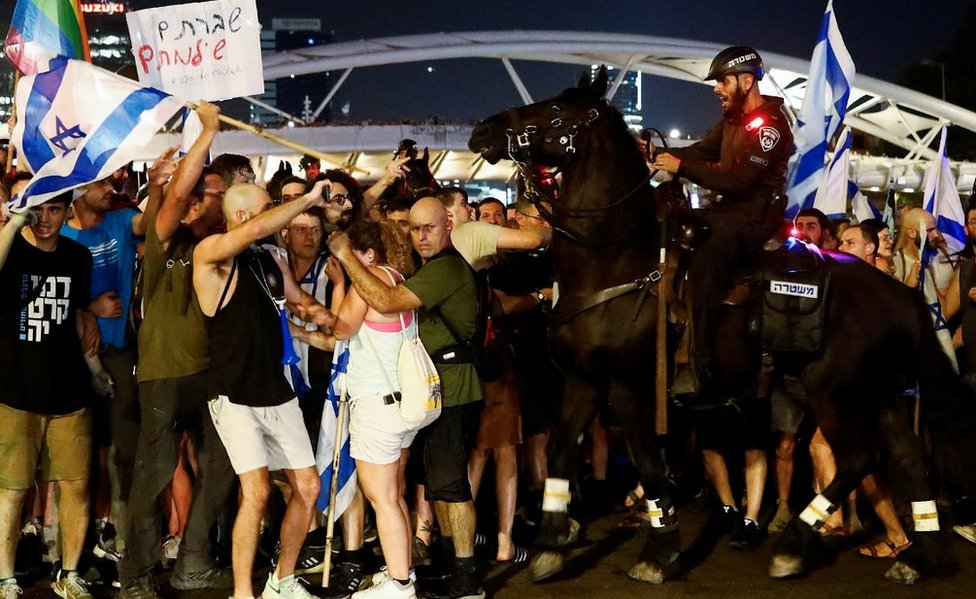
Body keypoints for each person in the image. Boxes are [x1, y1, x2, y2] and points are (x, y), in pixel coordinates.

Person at [328, 197, 486, 599]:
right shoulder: (427, 269)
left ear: (448, 224)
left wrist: (346, 258)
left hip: (448, 388)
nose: (421, 236)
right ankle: (446, 570)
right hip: (428, 393)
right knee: (430, 487)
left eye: (428, 227)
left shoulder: (445, 268)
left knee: (450, 487)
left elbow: (385, 301)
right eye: (415, 229)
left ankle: (465, 579)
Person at [192, 181, 336, 599]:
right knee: (255, 492)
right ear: (241, 217)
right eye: (268, 208)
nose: (277, 214)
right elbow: (254, 232)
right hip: (233, 393)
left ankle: (282, 581)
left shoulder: (269, 258)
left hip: (276, 388)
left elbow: (302, 305)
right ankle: (242, 593)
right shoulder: (211, 254)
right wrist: (307, 201)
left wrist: (337, 313)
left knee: (308, 488)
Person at [117, 102, 234, 599]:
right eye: (213, 195)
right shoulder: (167, 238)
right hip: (163, 375)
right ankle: (137, 577)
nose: (219, 203)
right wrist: (206, 131)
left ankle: (192, 562)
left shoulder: (221, 244)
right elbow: (177, 194)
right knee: (155, 477)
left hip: (209, 375)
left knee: (225, 466)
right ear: (189, 204)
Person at [647, 46, 793, 391]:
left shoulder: (770, 127)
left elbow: (739, 180)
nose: (715, 89)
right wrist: (656, 155)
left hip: (753, 220)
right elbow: (699, 152)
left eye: (722, 81)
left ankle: (702, 358)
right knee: (671, 229)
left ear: (746, 81)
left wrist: (680, 167)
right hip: (728, 211)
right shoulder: (732, 121)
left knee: (708, 252)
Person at [0, 191, 95, 599]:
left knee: (75, 485)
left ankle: (70, 573)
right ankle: (5, 577)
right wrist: (13, 223)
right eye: (37, 210)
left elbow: (74, 313)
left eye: (54, 209)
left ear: (67, 212)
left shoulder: (77, 256)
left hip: (69, 391)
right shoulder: (10, 251)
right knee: (13, 489)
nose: (43, 218)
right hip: (14, 389)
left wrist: (95, 367)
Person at [330, 219, 418, 599]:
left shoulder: (369, 285)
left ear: (367, 254)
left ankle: (400, 585)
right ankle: (402, 574)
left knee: (382, 498)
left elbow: (340, 328)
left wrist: (338, 285)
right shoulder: (400, 278)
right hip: (405, 404)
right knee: (395, 496)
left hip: (377, 406)